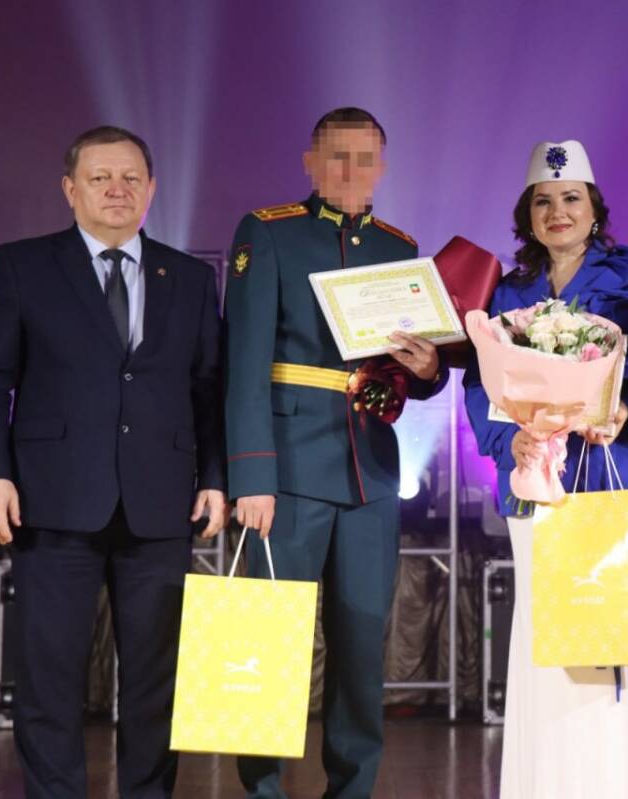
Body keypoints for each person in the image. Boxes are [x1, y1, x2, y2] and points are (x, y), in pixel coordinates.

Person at [0, 125, 226, 798]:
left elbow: (210, 391)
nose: (117, 190)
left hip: (161, 505)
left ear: (151, 189)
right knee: (48, 680)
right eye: (100, 177)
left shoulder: (190, 278)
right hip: (51, 501)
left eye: (131, 178)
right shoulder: (23, 265)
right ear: (70, 189)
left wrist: (218, 479)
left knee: (157, 683)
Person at [225, 107, 447, 799]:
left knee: (360, 646)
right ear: (310, 163)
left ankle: (352, 789)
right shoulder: (269, 232)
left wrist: (429, 368)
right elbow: (243, 363)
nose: (351, 171)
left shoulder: (399, 247)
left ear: (383, 167)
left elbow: (412, 368)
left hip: (369, 472)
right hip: (286, 470)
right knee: (269, 644)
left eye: (365, 158)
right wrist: (251, 474)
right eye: (337, 157)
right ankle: (262, 789)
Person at [464, 140, 628, 798]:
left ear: (594, 209)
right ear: (527, 215)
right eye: (543, 201)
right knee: (549, 650)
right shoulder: (507, 292)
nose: (557, 211)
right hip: (541, 486)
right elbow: (481, 386)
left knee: (625, 649)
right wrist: (510, 443)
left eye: (571, 198)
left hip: (626, 479)